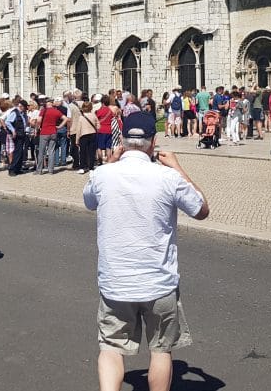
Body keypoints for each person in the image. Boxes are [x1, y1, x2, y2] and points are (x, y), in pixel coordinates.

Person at [82, 111, 209, 391]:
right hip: (158, 282)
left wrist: (110, 162)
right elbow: (201, 209)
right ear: (154, 141)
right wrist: (179, 168)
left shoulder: (102, 175)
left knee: (111, 347)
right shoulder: (167, 177)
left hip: (116, 282)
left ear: (122, 141)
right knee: (161, 349)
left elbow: (89, 201)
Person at [35, 96, 69, 175]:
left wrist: (37, 128)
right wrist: (60, 126)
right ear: (52, 103)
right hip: (53, 132)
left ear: (47, 103)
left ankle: (39, 170)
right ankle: (51, 170)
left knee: (41, 152)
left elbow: (39, 120)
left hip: (44, 132)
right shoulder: (56, 111)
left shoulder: (43, 110)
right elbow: (66, 119)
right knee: (51, 151)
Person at [5, 100, 30, 176]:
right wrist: (13, 131)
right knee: (17, 152)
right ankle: (12, 169)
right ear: (21, 107)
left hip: (22, 134)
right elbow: (8, 122)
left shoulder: (22, 113)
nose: (25, 109)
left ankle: (18, 169)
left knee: (21, 152)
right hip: (17, 135)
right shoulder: (14, 112)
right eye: (25, 108)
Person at [76, 101, 100, 174]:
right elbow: (98, 125)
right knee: (92, 152)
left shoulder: (81, 117)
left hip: (83, 135)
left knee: (82, 152)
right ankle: (91, 167)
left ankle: (82, 167)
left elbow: (78, 129)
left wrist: (77, 140)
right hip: (92, 134)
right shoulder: (93, 115)